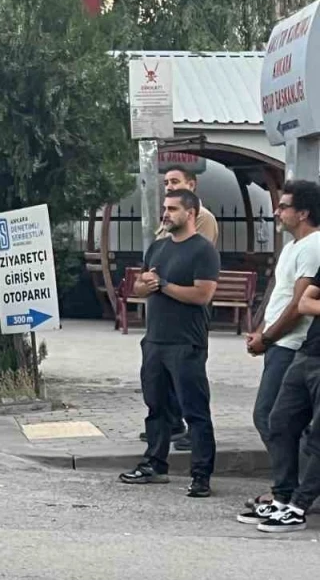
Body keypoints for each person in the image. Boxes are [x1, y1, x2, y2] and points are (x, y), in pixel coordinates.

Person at [119, 188, 220, 497]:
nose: (166, 214)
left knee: (195, 411)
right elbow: (139, 287)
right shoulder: (158, 248)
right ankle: (154, 464)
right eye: (165, 208)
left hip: (186, 343)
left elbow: (202, 294)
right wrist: (146, 285)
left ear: (190, 213)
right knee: (157, 408)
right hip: (155, 340)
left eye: (173, 209)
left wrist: (163, 285)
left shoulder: (203, 250)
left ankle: (201, 475)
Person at [238, 181, 320, 520]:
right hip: (280, 344)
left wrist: (269, 338)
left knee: (272, 417)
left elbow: (299, 304)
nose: (277, 211)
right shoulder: (292, 246)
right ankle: (291, 488)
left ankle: (296, 490)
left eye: (284, 206)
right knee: (281, 420)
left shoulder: (314, 246)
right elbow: (281, 293)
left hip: (293, 345)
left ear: (303, 213)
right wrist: (260, 330)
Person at [137, 165, 220, 447]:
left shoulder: (202, 223)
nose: (169, 186)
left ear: (191, 185)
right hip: (158, 332)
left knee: (191, 398)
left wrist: (162, 283)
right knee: (157, 397)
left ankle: (199, 459)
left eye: (175, 181)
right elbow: (142, 281)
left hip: (186, 331)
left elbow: (198, 279)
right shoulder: (162, 239)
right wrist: (147, 283)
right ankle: (158, 452)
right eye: (166, 183)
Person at [249, 274, 320, 532]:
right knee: (279, 421)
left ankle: (299, 507)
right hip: (308, 353)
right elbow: (304, 302)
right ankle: (282, 497)